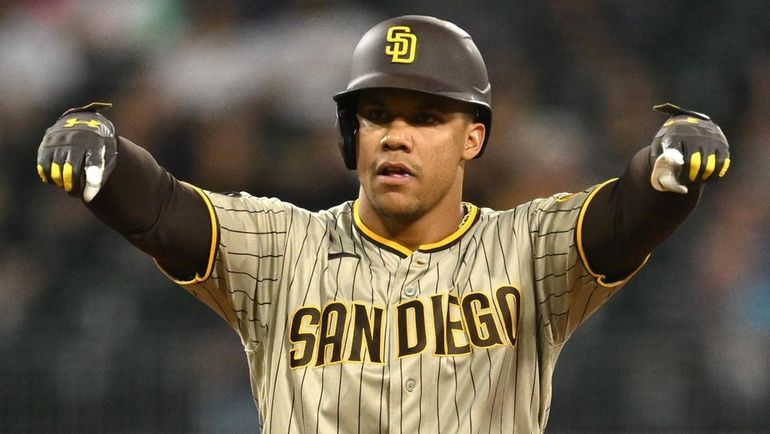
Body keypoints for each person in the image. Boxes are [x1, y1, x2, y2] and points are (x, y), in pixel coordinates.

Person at [36, 15, 730, 434]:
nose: (395, 135)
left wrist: (668, 168)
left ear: (473, 140)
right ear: (350, 136)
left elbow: (621, 217)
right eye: (376, 115)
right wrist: (105, 155)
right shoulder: (282, 248)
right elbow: (163, 212)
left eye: (426, 117)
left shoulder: (525, 247)